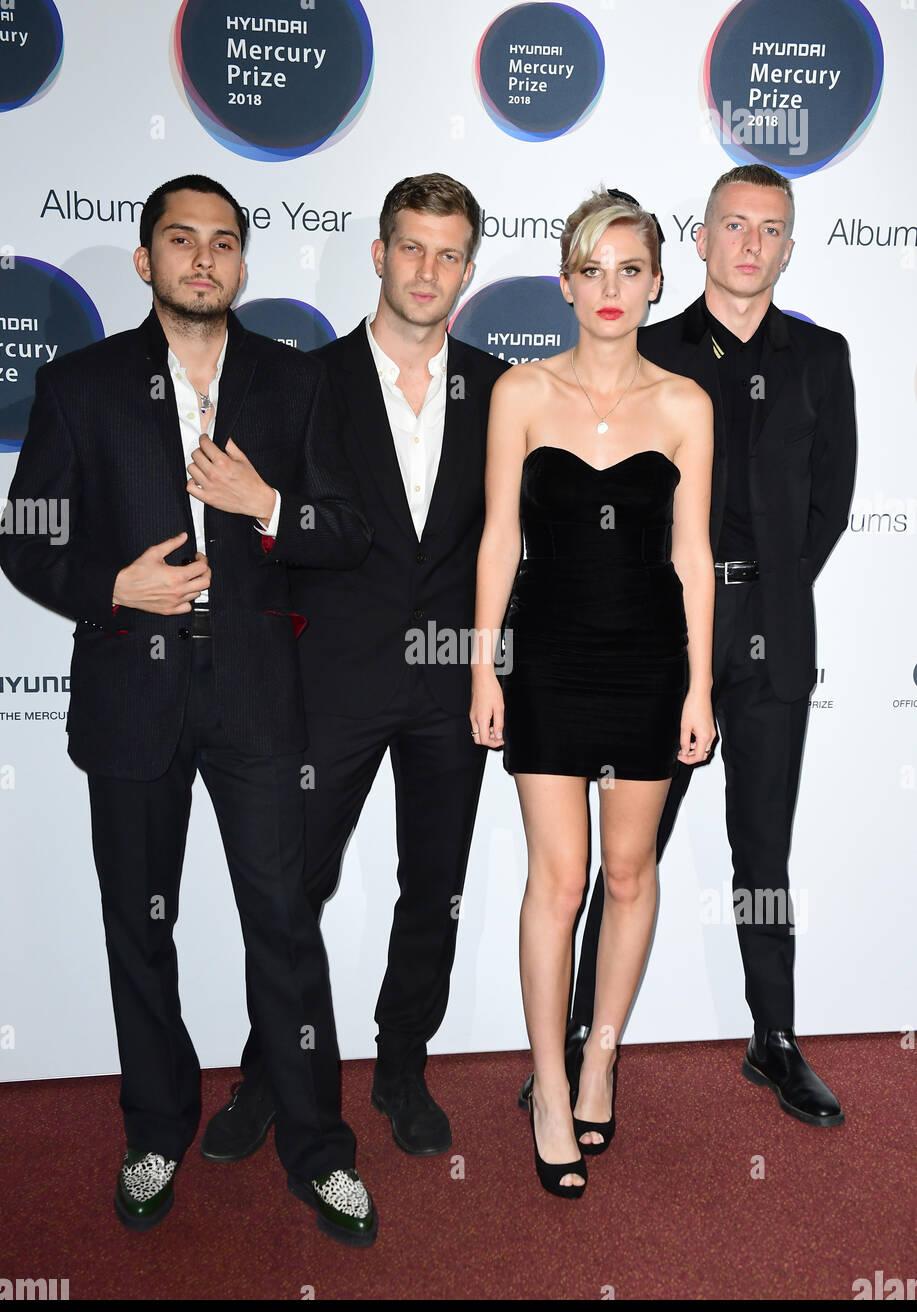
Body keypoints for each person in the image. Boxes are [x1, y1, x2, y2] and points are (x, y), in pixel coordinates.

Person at [0, 174, 379, 1247]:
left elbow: (346, 531)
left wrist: (266, 504)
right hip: (131, 690)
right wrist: (113, 585)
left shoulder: (295, 385)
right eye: (180, 239)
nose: (203, 258)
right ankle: (154, 1128)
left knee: (283, 930)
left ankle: (318, 1147)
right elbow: (26, 534)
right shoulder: (79, 384)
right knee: (140, 927)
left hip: (260, 694)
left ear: (244, 266)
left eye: (222, 242)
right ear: (144, 260)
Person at [530, 163, 857, 1129]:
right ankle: (584, 1043)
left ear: (788, 249)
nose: (751, 244)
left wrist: (761, 592)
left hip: (773, 636)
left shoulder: (821, 356)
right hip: (656, 638)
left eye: (770, 229)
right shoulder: (646, 347)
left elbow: (827, 507)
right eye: (733, 226)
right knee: (623, 858)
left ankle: (775, 1039)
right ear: (701, 240)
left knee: (763, 851)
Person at [201, 173, 509, 1163]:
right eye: (410, 247)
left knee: (436, 883)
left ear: (468, 268)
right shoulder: (303, 382)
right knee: (293, 887)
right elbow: (268, 536)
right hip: (327, 679)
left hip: (451, 682)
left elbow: (510, 540)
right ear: (378, 254)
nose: (427, 270)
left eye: (448, 252)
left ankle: (403, 1065)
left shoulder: (500, 387)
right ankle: (269, 1071)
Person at [471, 189, 715, 1195]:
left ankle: (599, 1053)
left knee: (626, 876)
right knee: (558, 879)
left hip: (648, 661)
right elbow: (496, 538)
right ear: (564, 281)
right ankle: (543, 1081)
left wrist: (699, 682)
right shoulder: (519, 394)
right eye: (590, 267)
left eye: (629, 268)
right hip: (548, 659)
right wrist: (482, 661)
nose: (608, 287)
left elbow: (693, 554)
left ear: (655, 283)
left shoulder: (684, 405)